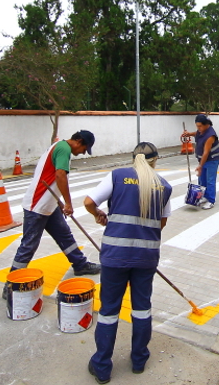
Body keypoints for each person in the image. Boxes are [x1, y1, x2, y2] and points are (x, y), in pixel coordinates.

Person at [85, 142, 172, 384]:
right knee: (142, 308)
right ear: (156, 160)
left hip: (115, 257)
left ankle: (102, 366)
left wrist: (99, 215)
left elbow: (89, 202)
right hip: (146, 258)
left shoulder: (117, 176)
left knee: (109, 310)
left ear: (133, 159)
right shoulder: (164, 186)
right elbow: (161, 223)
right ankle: (139, 361)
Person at [5, 130, 100, 299]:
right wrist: (69, 203)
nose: (83, 153)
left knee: (64, 235)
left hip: (49, 204)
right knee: (29, 245)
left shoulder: (59, 146)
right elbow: (60, 175)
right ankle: (11, 284)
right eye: (84, 148)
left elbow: (49, 176)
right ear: (78, 141)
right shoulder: (64, 149)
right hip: (37, 206)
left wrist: (59, 202)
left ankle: (80, 265)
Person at [181, 113, 219, 209]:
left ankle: (211, 200)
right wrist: (189, 134)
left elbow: (206, 153)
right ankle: (204, 196)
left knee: (210, 180)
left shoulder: (211, 135)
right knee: (202, 179)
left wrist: (200, 166)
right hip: (202, 159)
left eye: (200, 126)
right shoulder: (201, 131)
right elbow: (197, 133)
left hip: (212, 160)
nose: (198, 128)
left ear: (206, 124)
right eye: (197, 126)